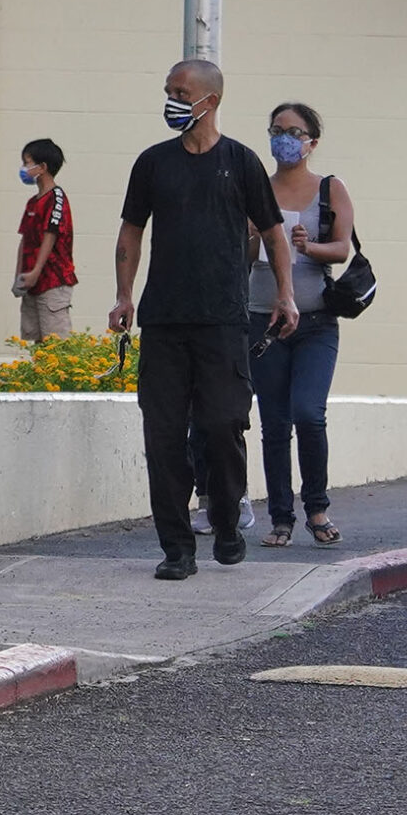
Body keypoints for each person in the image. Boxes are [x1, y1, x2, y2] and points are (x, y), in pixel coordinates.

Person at [110, 59, 297, 582]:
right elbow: (131, 232)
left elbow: (274, 233)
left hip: (223, 323)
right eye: (167, 89)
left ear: (208, 101)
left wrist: (285, 295)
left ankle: (225, 520)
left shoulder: (241, 162)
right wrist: (124, 295)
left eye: (179, 91)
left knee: (222, 426)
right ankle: (176, 548)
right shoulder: (152, 163)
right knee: (163, 437)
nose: (169, 98)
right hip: (164, 322)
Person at [253, 101, 354, 548]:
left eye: (294, 132)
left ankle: (317, 507)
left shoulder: (330, 189)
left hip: (315, 321)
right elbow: (236, 253)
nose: (284, 139)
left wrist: (307, 246)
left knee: (308, 414)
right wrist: (252, 238)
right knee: (274, 423)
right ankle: (280, 517)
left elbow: (342, 249)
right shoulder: (255, 188)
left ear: (312, 141)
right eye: (277, 130)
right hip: (262, 319)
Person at [14, 139, 78, 342]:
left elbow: (50, 235)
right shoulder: (33, 202)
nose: (24, 169)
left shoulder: (56, 197)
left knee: (56, 342)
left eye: (27, 163)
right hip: (32, 285)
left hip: (53, 281)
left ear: (42, 167)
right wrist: (20, 275)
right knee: (36, 340)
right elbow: (25, 239)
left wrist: (36, 271)